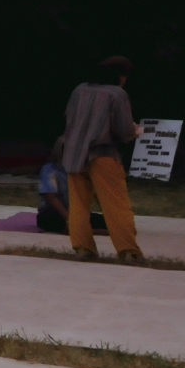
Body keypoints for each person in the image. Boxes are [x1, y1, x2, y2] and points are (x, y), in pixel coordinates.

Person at [60, 55, 143, 260]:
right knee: (115, 203)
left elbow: (68, 119)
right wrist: (135, 131)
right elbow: (123, 131)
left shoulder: (79, 90)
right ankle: (128, 251)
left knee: (78, 203)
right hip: (103, 154)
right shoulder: (117, 94)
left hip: (74, 153)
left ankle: (82, 248)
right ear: (121, 76)